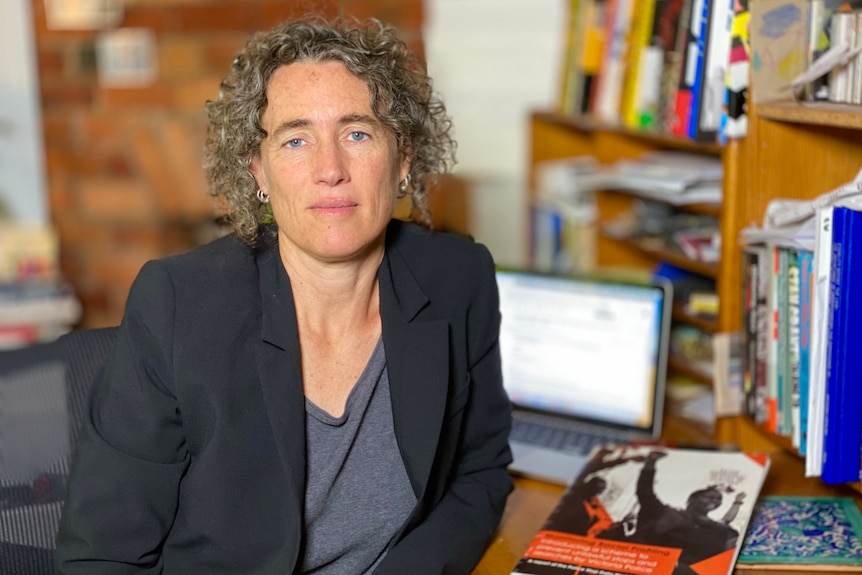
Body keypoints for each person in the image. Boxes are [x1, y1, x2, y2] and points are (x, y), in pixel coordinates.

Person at [55, 15, 513, 574]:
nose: (330, 169)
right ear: (259, 171)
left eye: (358, 133)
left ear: (404, 160)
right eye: (296, 139)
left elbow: (480, 471)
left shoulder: (458, 276)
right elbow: (102, 555)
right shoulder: (179, 302)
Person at [622, 450, 743, 575]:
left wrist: (738, 501)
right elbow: (645, 493)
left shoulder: (720, 529)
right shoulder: (668, 513)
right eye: (709, 497)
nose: (715, 501)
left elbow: (727, 523)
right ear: (692, 499)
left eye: (718, 499)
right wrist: (651, 463)